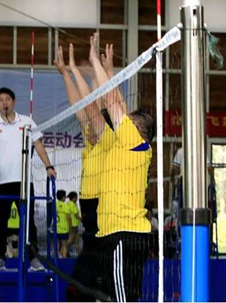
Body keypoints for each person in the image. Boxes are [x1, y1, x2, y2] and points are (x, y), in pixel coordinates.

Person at [90, 35, 156, 302]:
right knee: (112, 297)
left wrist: (94, 61)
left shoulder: (135, 144)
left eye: (129, 122)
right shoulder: (125, 144)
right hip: (115, 234)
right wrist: (109, 72)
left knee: (121, 299)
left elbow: (112, 102)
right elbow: (117, 104)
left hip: (123, 234)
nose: (122, 121)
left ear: (139, 130)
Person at [55, 41, 115, 301]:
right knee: (86, 273)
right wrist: (65, 73)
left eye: (94, 121)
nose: (88, 124)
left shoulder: (109, 138)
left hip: (105, 208)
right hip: (89, 210)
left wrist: (94, 70)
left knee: (98, 271)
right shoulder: (91, 137)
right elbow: (79, 106)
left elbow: (93, 104)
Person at [0, 86, 57, 272]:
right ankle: (0, 258)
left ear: (14, 102)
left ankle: (34, 259)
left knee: (28, 222)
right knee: (0, 223)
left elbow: (38, 145)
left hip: (24, 181)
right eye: (1, 100)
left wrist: (48, 166)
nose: (5, 103)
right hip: (2, 182)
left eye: (8, 99)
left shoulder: (27, 122)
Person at [66, 192, 82, 257]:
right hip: (73, 226)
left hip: (70, 225)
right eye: (76, 197)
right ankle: (62, 250)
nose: (77, 199)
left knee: (76, 241)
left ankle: (80, 254)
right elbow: (76, 215)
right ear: (74, 198)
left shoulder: (68, 204)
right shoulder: (72, 205)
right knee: (72, 240)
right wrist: (84, 221)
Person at [56, 190, 71, 258]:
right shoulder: (65, 206)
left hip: (56, 228)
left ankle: (59, 256)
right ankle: (63, 258)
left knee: (59, 243)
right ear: (63, 197)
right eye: (65, 196)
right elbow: (68, 218)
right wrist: (70, 227)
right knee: (64, 245)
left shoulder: (54, 204)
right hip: (64, 229)